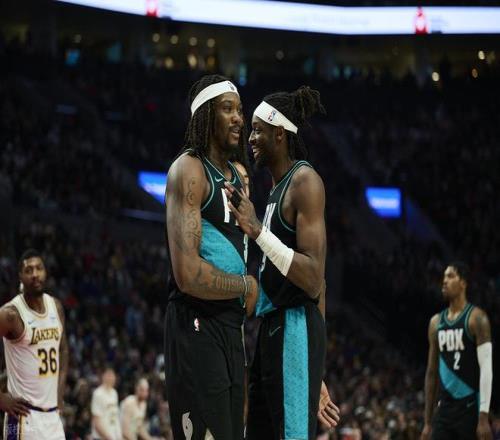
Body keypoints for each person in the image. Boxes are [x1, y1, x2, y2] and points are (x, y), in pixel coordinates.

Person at [224, 86, 340, 439]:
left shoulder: (305, 181)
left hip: (294, 326)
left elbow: (314, 278)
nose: (250, 138)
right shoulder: (276, 190)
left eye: (258, 130)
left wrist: (258, 231)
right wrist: (315, 369)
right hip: (273, 328)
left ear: (280, 133)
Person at [164, 74, 258, 440]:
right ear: (206, 115)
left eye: (240, 110)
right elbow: (188, 274)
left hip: (231, 326)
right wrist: (244, 285)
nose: (238, 118)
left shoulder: (240, 176)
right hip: (196, 323)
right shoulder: (189, 170)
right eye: (228, 109)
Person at [0, 249, 68, 439]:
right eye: (28, 270)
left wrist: (60, 393)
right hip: (22, 419)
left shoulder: (56, 306)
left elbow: (63, 350)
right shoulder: (10, 314)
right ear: (20, 277)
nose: (35, 274)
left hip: (52, 417)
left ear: (46, 272)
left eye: (39, 268)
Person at [421, 262, 493, 440]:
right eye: (444, 277)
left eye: (450, 276)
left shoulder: (477, 318)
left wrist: (483, 417)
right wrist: (427, 422)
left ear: (463, 283)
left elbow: (486, 369)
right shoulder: (435, 323)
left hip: (470, 409)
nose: (444, 281)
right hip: (444, 411)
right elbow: (431, 372)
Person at [91, 367, 122, 440]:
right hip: (101, 437)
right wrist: (108, 438)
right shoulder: (98, 393)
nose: (111, 378)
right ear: (103, 376)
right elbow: (96, 421)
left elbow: (115, 417)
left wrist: (119, 436)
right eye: (109, 375)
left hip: (113, 435)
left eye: (112, 375)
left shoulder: (114, 393)